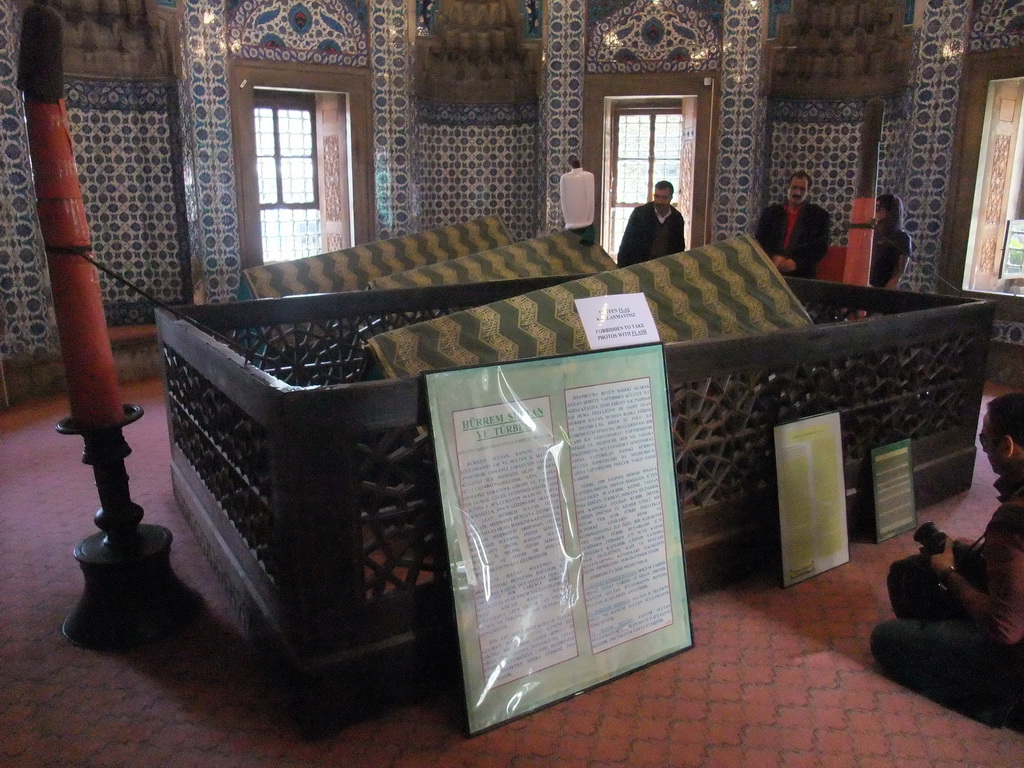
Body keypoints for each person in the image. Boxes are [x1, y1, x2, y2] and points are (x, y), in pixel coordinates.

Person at [870, 392, 1024, 727]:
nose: (983, 444)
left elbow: (1005, 628)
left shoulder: (1012, 520)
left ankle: (999, 704)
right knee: (911, 572)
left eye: (985, 438)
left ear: (1007, 446)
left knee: (886, 639)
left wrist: (950, 573)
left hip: (1016, 656)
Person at [753, 171, 830, 278]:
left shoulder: (819, 216)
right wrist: (773, 258)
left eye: (802, 189)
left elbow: (820, 248)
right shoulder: (770, 213)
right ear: (787, 187)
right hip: (770, 271)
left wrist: (796, 263)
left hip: (802, 276)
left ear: (808, 191)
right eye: (794, 187)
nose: (797, 192)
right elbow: (759, 241)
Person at [616, 180, 686, 268]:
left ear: (671, 198)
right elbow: (627, 243)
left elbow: (679, 248)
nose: (659, 201)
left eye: (664, 198)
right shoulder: (640, 214)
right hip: (640, 267)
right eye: (657, 197)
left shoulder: (676, 218)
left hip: (665, 268)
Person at [869, 193, 912, 289]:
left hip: (884, 291)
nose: (875, 212)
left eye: (878, 208)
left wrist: (884, 293)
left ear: (890, 211)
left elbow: (898, 273)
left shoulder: (902, 238)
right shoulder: (872, 233)